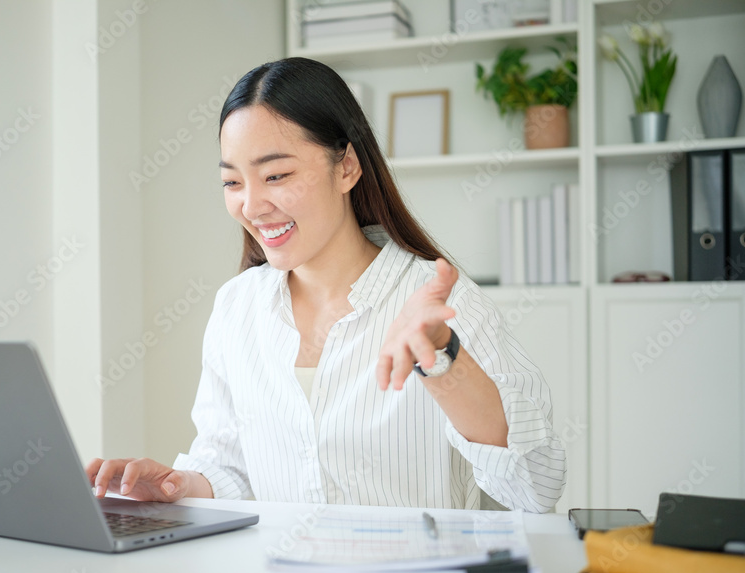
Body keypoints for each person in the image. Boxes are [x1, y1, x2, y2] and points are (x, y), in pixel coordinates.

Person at [86, 57, 565, 512]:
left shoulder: (440, 303)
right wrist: (174, 486)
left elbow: (535, 487)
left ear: (347, 167)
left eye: (276, 175)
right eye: (233, 183)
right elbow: (231, 468)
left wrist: (442, 356)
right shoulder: (237, 306)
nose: (251, 206)